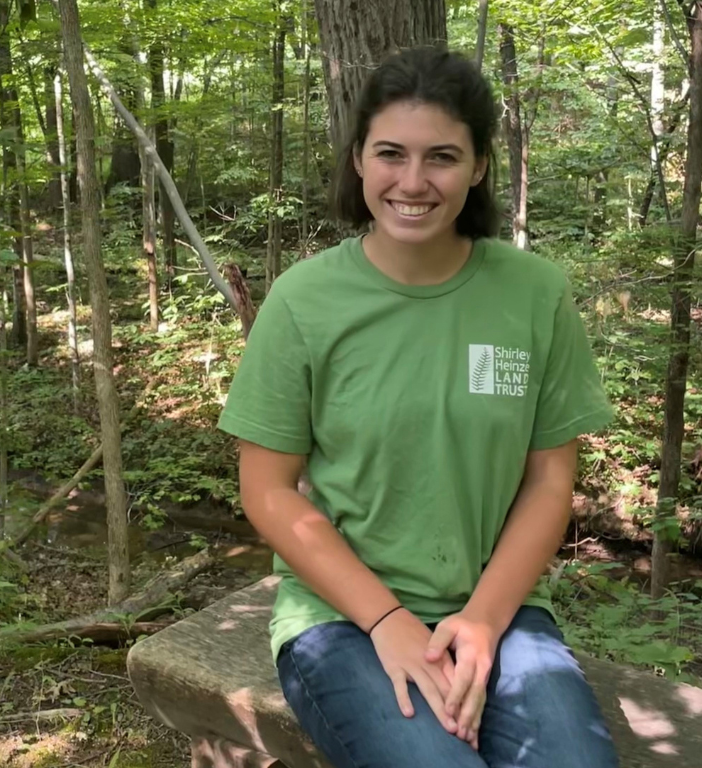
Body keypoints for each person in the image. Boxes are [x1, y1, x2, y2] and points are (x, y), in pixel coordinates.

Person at [218, 47, 619, 768]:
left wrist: (484, 621)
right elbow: (267, 490)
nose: (413, 181)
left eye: (441, 156)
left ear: (480, 166)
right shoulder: (305, 302)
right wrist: (388, 620)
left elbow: (550, 482)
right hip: (341, 616)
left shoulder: (535, 294)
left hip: (498, 609)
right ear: (358, 160)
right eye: (390, 154)